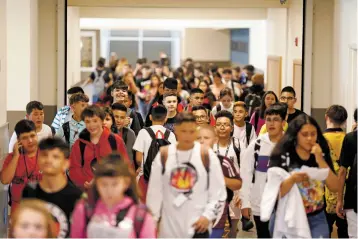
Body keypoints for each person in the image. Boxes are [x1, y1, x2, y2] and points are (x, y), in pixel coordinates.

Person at [146, 112, 227, 238]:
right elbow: (154, 193)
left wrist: (208, 216)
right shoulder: (164, 155)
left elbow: (219, 193)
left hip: (198, 226)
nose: (188, 136)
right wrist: (152, 222)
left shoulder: (207, 155)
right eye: (183, 131)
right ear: (176, 130)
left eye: (191, 131)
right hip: (169, 227)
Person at [268, 114, 339, 238]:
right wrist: (293, 179)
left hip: (316, 217)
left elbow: (335, 186)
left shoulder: (321, 151)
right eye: (305, 134)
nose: (310, 138)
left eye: (313, 134)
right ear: (295, 135)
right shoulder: (282, 154)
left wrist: (320, 160)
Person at [70, 154, 156, 238]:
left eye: (115, 184)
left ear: (126, 183)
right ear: (96, 184)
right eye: (104, 184)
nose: (109, 190)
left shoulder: (141, 215)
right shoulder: (84, 210)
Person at [240, 103, 287, 238]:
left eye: (276, 120)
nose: (271, 124)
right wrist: (245, 203)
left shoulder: (291, 144)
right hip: (260, 204)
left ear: (283, 123)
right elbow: (246, 173)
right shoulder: (257, 144)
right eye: (268, 120)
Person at [22, 137, 83, 238]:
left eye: (55, 157)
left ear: (66, 163)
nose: (49, 160)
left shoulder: (76, 196)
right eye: (44, 155)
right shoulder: (29, 190)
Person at [68, 105, 130, 191]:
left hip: (112, 191)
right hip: (87, 193)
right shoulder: (79, 144)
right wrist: (83, 182)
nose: (91, 125)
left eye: (95, 121)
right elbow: (74, 168)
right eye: (88, 121)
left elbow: (125, 166)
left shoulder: (115, 141)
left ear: (102, 121)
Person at [133, 105, 176, 202]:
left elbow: (139, 157)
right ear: (165, 118)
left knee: (145, 205)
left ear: (150, 117)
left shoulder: (143, 132)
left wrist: (140, 167)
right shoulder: (171, 135)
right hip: (164, 178)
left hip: (145, 177)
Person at [0, 120, 42, 214]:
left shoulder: (47, 155)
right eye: (25, 138)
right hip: (19, 209)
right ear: (18, 140)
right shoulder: (12, 157)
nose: (30, 141)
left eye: (32, 135)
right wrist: (16, 156)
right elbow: (5, 180)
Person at [213, 110, 243, 238]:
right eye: (219, 124)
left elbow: (246, 170)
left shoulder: (238, 145)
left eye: (225, 124)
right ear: (215, 127)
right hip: (214, 194)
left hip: (234, 194)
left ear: (231, 128)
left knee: (232, 231)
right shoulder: (210, 145)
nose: (222, 127)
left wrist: (242, 193)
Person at [323, 105, 349, 238]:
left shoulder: (320, 140)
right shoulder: (349, 139)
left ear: (326, 117)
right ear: (345, 121)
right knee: (344, 230)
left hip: (324, 192)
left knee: (324, 229)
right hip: (346, 191)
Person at [336, 109, 358, 238]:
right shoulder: (350, 138)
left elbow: (342, 171)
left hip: (352, 196)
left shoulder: (350, 138)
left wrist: (340, 200)